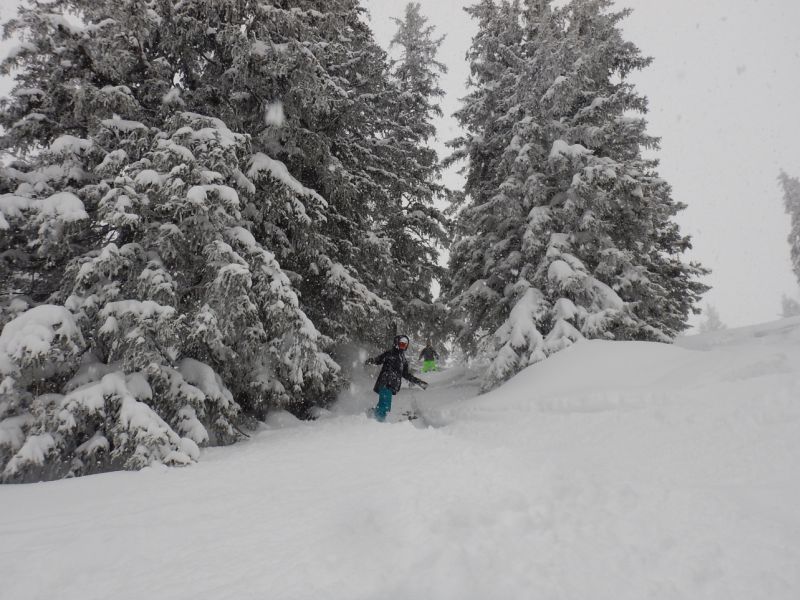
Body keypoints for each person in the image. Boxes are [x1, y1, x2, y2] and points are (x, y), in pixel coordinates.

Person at [365, 335, 428, 422]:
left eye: (405, 345)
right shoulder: (389, 354)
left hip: (391, 386)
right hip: (384, 383)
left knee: (384, 405)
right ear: (397, 343)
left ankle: (370, 415)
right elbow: (378, 360)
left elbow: (406, 374)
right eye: (401, 344)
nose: (403, 346)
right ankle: (378, 423)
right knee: (385, 406)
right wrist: (370, 361)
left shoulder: (403, 360)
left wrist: (419, 382)